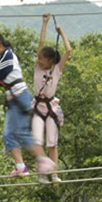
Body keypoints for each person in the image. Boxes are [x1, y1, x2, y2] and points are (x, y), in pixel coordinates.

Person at [0, 32, 56, 180]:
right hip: (13, 98)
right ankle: (20, 167)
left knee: (22, 133)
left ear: (0, 44)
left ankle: (44, 160)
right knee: (8, 134)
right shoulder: (2, 58)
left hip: (20, 96)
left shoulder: (8, 54)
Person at [33, 13, 72, 184]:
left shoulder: (56, 70)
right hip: (37, 107)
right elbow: (41, 43)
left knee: (52, 144)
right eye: (39, 58)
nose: (39, 61)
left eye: (42, 59)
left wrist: (60, 31)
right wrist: (45, 23)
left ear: (50, 61)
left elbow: (68, 50)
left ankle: (54, 174)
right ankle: (42, 173)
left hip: (51, 108)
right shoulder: (37, 69)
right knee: (37, 141)